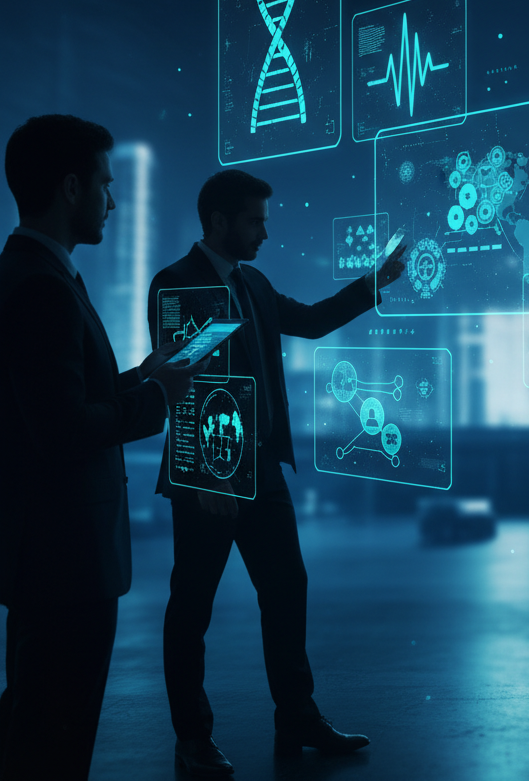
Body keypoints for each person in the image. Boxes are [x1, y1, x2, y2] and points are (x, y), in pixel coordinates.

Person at [148, 169, 406, 777]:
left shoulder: (254, 283)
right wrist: (207, 475)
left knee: (287, 589)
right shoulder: (175, 283)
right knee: (192, 607)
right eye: (255, 221)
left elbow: (313, 321)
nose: (265, 232)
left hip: (260, 468)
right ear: (219, 222)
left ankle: (297, 716)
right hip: (208, 470)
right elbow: (179, 381)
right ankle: (193, 740)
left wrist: (375, 282)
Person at [0, 115, 206, 781]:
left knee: (35, 722)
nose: (113, 201)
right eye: (104, 184)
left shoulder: (33, 272)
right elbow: (63, 430)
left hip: (47, 556)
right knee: (55, 742)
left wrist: (142, 375)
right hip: (67, 561)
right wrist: (160, 398)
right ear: (69, 188)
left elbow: (61, 396)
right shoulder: (43, 288)